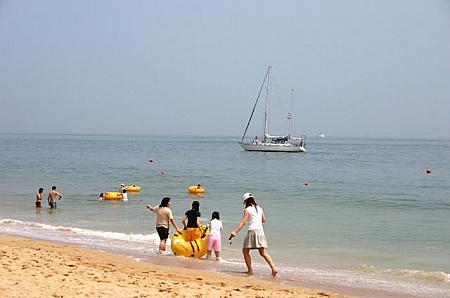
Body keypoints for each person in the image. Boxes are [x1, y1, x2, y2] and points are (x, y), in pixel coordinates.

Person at [229, 192, 277, 277]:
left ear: (245, 201)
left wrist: (235, 232)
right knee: (263, 253)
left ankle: (250, 270)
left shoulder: (247, 209)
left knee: (245, 251)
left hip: (252, 231)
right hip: (261, 231)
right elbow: (264, 220)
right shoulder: (259, 208)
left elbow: (243, 222)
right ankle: (273, 268)